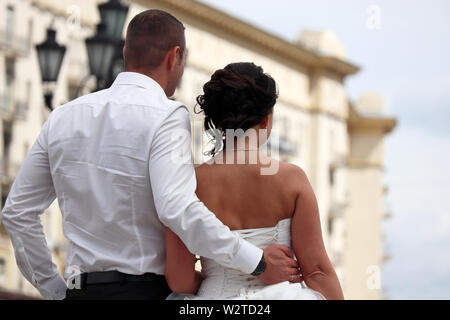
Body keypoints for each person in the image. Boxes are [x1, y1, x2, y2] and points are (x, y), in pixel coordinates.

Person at [0, 10, 301, 300]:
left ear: (124, 54)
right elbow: (178, 209)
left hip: (82, 291)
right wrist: (257, 262)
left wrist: (56, 290)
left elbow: (17, 213)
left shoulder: (62, 116)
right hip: (145, 292)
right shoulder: (167, 115)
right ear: (175, 57)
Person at [165, 62, 345, 300]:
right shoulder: (291, 180)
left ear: (216, 122)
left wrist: (218, 280)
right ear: (266, 120)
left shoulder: (189, 183)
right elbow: (318, 272)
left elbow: (179, 277)